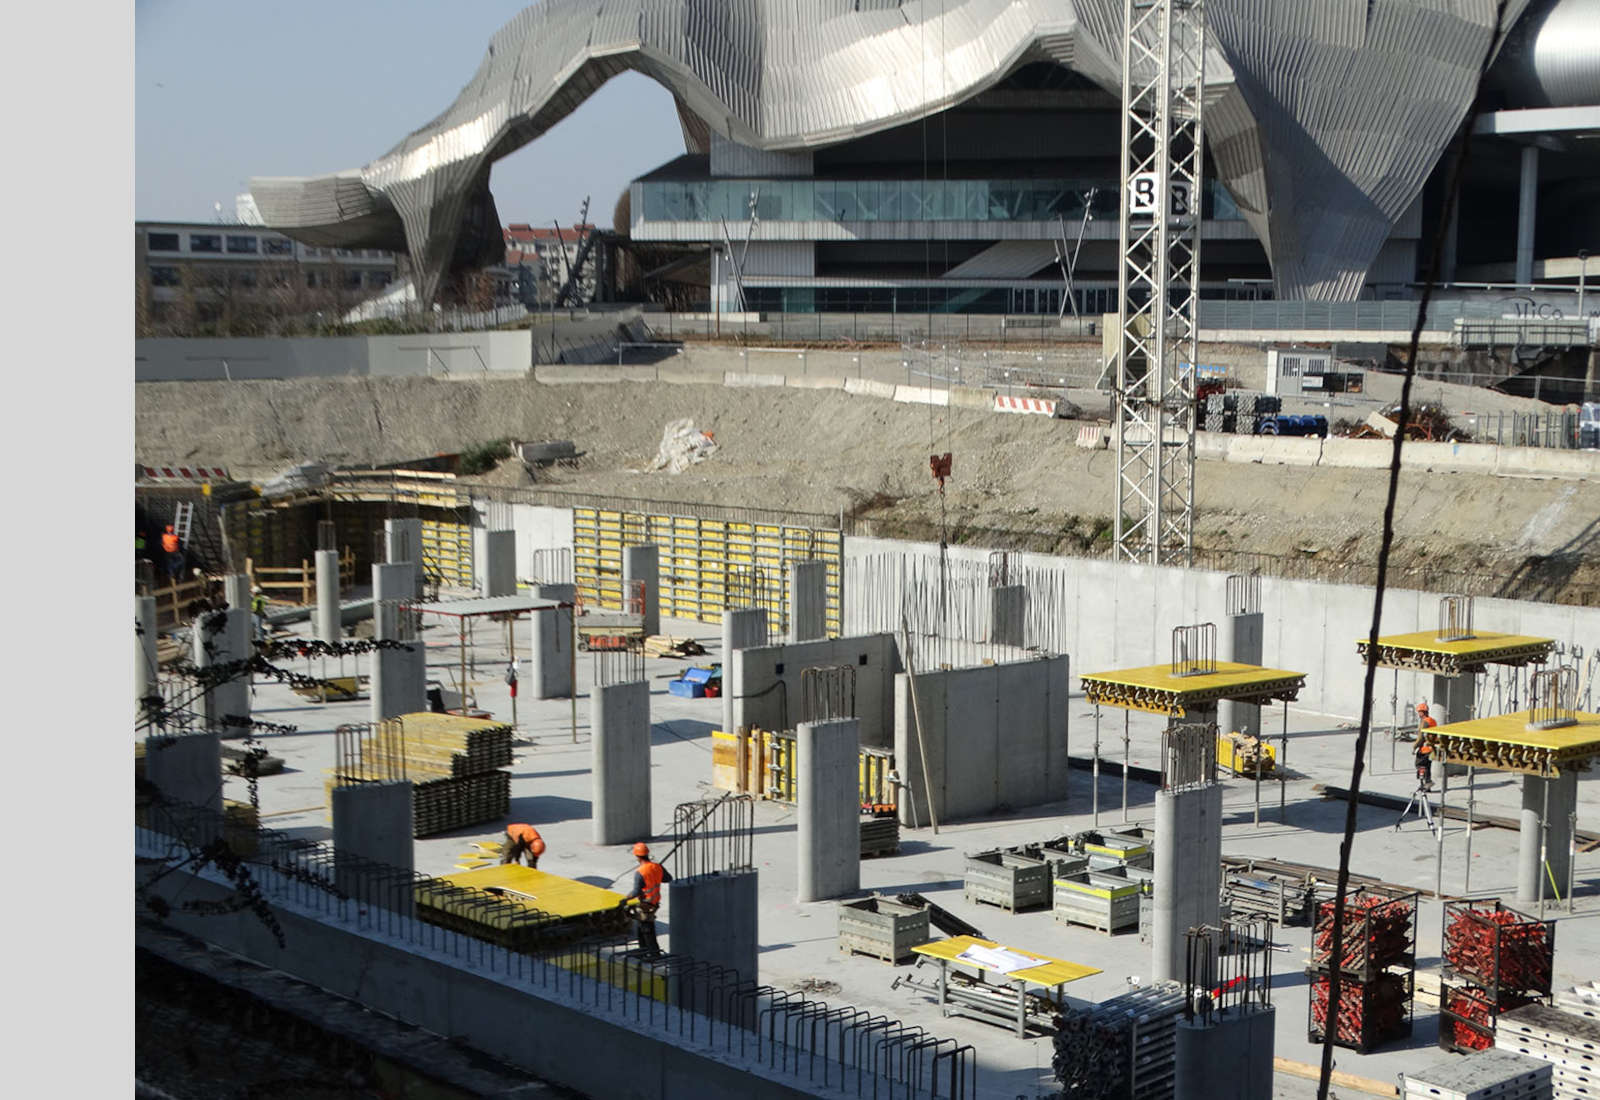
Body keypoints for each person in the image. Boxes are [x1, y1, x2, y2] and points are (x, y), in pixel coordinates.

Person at [618, 842, 672, 958]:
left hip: (646, 904)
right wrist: (658, 871)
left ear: (637, 856)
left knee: (647, 929)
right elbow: (668, 878)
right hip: (654, 903)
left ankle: (654, 953)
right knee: (641, 927)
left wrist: (625, 900)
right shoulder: (657, 867)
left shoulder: (640, 872)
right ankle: (643, 950)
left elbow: (636, 891)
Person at [1414, 703, 1438, 790]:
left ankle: (1426, 782)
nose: (1418, 714)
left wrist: (1415, 746)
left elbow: (1421, 737)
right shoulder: (1433, 721)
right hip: (1432, 748)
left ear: (1422, 712)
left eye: (1419, 712)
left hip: (1425, 748)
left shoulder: (1424, 722)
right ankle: (1427, 786)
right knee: (1427, 766)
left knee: (1419, 764)